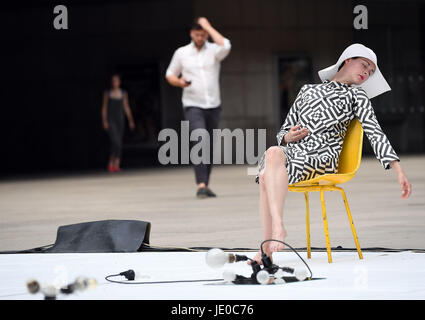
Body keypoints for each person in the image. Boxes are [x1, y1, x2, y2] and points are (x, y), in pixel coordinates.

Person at [252, 44, 412, 264]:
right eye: (364, 65)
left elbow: (375, 132)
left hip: (323, 158)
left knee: (267, 169)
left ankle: (274, 235)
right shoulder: (307, 90)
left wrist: (398, 169)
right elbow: (283, 130)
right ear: (347, 60)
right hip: (296, 152)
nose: (367, 72)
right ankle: (268, 248)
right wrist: (288, 137)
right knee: (269, 162)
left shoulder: (357, 95)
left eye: (371, 71)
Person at [165, 17, 231, 198]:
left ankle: (205, 184)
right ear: (191, 34)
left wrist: (209, 26)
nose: (200, 38)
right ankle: (201, 184)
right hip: (193, 104)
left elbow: (226, 45)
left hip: (213, 104)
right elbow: (169, 74)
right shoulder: (182, 53)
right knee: (200, 139)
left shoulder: (214, 51)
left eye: (203, 35)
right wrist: (179, 82)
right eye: (197, 35)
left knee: (208, 145)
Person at [101, 74, 135, 172]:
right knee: (116, 142)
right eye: (113, 81)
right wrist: (104, 121)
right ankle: (112, 162)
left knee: (119, 142)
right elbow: (104, 108)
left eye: (116, 81)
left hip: (120, 120)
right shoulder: (107, 93)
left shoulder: (123, 93)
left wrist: (130, 120)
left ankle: (116, 164)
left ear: (119, 82)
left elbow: (126, 107)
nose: (115, 83)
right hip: (111, 120)